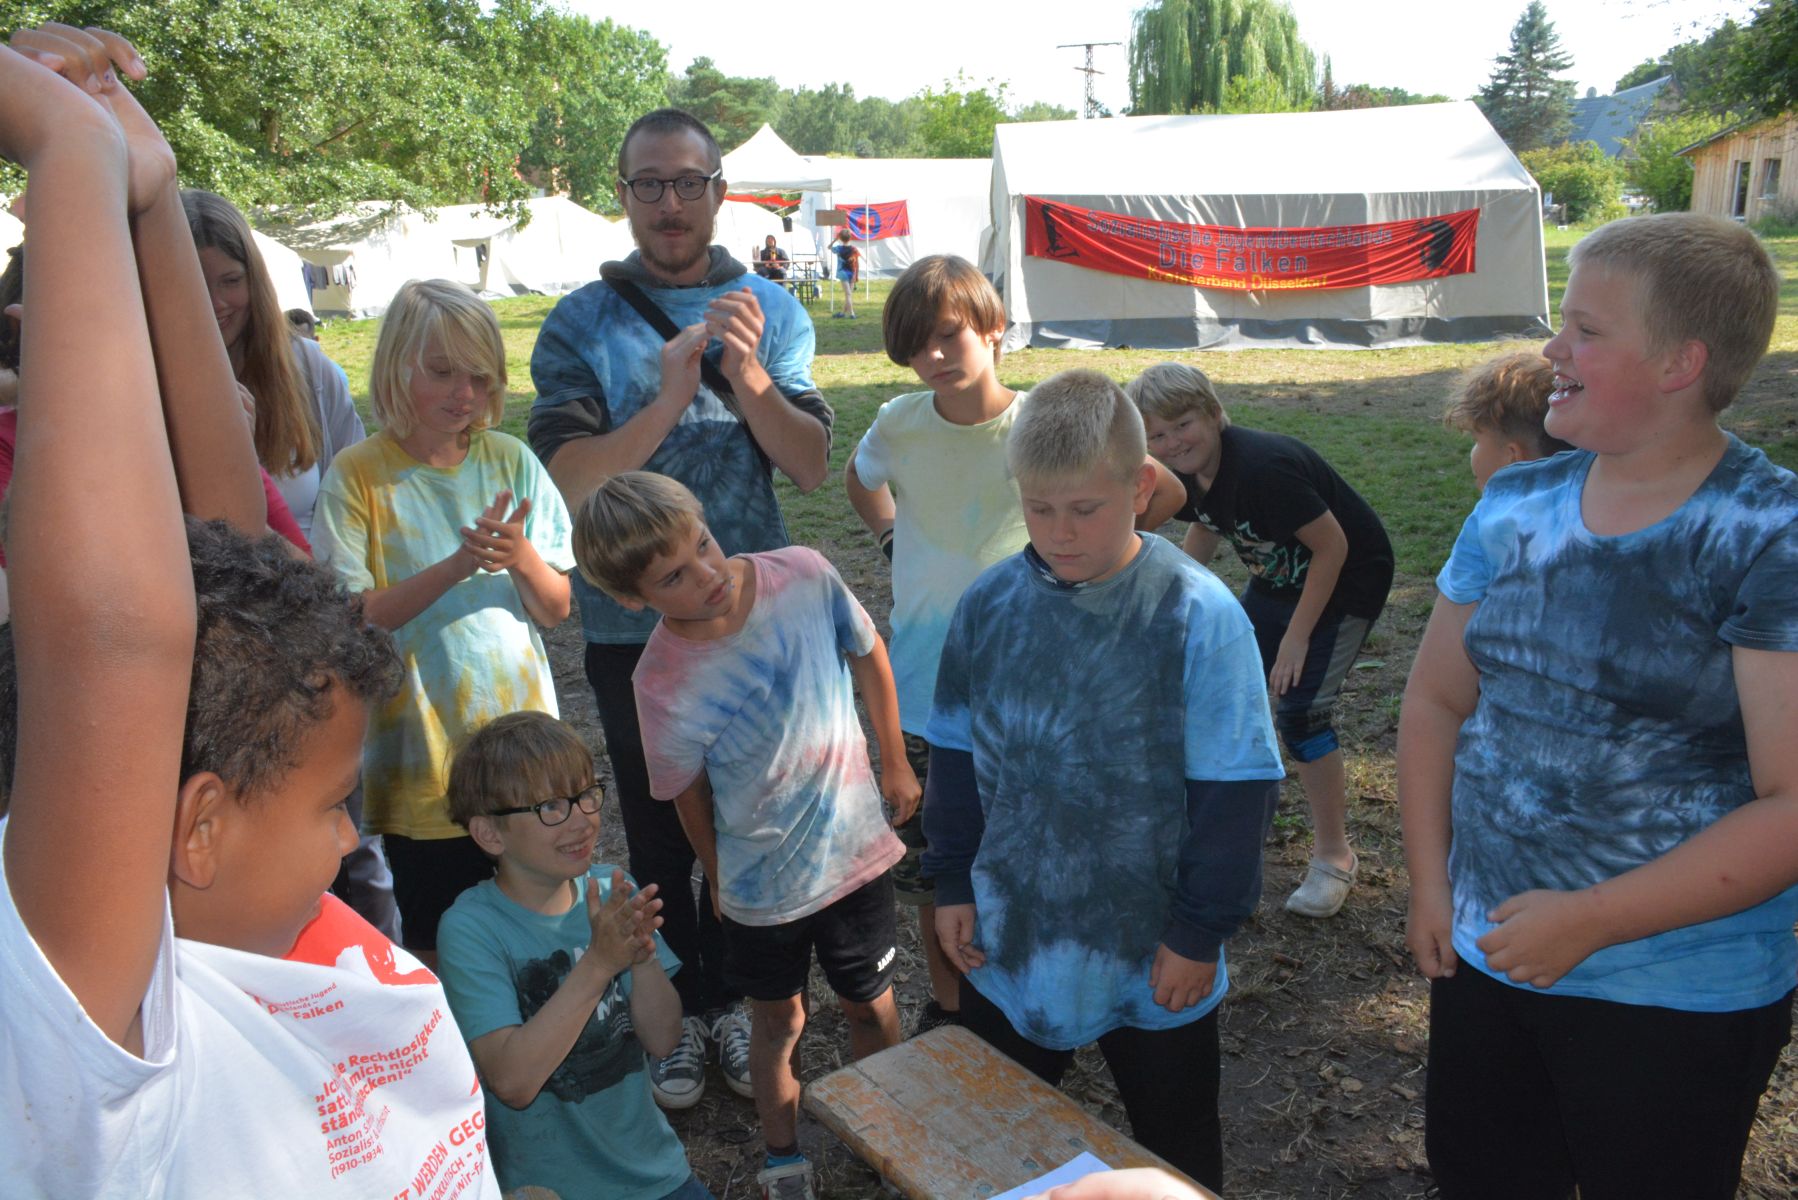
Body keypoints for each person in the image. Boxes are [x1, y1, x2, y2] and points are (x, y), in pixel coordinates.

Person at [0, 25, 497, 1198]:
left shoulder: (269, 923)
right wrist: (66, 155)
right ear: (198, 827)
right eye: (332, 804)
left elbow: (222, 536)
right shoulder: (112, 1046)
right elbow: (116, 638)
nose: (349, 839)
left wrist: (152, 197)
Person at [1398, 213, 1798, 1199]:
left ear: (1678, 363)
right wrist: (1431, 883)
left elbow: (1790, 805)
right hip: (1490, 953)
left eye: (1585, 330)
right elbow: (1436, 699)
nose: (1552, 351)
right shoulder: (1513, 505)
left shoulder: (1768, 536)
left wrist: (1591, 919)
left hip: (1675, 990)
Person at [528, 106, 832, 1108]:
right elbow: (573, 480)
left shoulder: (771, 310)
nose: (669, 202)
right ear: (623, 195)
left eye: (688, 182)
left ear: (717, 192)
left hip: (753, 622)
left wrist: (746, 375)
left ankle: (744, 1005)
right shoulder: (579, 323)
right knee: (663, 831)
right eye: (649, 183)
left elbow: (810, 463)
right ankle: (682, 1008)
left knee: (750, 820)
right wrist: (666, 400)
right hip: (632, 630)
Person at [922, 369, 1283, 1193]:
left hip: (1152, 948)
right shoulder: (988, 605)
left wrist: (1198, 933)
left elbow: (1236, 792)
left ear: (1142, 485)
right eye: (1039, 508)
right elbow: (954, 752)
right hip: (1009, 936)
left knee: (1176, 1145)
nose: (1060, 533)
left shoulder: (1197, 614)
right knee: (993, 1137)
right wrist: (953, 879)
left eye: (1085, 508)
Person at [844, 255, 1186, 1036]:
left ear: (994, 329)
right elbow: (861, 480)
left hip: (1038, 696)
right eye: (914, 343)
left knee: (1040, 851)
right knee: (941, 868)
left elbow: (1160, 488)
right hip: (928, 690)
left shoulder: (1044, 423)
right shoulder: (898, 421)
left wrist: (1099, 564)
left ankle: (1046, 992)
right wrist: (890, 534)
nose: (933, 355)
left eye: (949, 334)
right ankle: (953, 1010)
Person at [573, 471, 918, 1200]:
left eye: (702, 544)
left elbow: (867, 652)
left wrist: (894, 759)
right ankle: (783, 1154)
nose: (707, 575)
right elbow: (687, 793)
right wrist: (719, 874)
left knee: (871, 1005)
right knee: (778, 1022)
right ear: (633, 600)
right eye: (673, 576)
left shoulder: (805, 575)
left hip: (854, 854)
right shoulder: (658, 680)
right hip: (763, 885)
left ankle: (888, 1137)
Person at [313, 278, 574, 962]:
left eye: (481, 377)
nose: (464, 393)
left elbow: (556, 608)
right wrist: (459, 564)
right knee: (446, 941)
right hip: (421, 765)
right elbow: (352, 618)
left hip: (524, 760)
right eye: (442, 372)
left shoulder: (511, 460)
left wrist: (521, 557)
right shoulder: (358, 476)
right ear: (396, 366)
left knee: (545, 929)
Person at [1127, 362, 1394, 919]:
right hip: (1277, 582)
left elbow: (1333, 547)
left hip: (1346, 582)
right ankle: (1221, 832)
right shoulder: (1190, 473)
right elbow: (1207, 524)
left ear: (1214, 412)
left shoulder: (1263, 468)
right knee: (1226, 689)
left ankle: (1334, 855)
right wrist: (1168, 595)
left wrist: (1296, 638)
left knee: (1301, 714)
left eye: (1183, 425)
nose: (1173, 443)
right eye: (1157, 435)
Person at [436, 712, 713, 1200]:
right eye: (551, 807)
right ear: (490, 834)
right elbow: (513, 1082)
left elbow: (664, 1038)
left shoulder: (611, 892)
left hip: (657, 1175)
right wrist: (600, 963)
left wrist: (641, 958)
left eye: (586, 795)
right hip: (552, 1189)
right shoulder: (472, 929)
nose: (583, 819)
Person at [182, 188, 362, 541]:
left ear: (255, 279)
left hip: (312, 573)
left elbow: (358, 497)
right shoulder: (139, 384)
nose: (215, 303)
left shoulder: (309, 369)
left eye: (231, 281)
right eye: (194, 284)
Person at [1442, 349, 1573, 491]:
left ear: (1513, 458)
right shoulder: (1583, 498)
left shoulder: (1500, 507)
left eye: (1476, 440)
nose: (1472, 451)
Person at [829, 228, 858, 318]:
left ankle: (852, 313)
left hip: (843, 272)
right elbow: (856, 263)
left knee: (848, 294)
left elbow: (829, 247)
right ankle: (843, 313)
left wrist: (835, 239)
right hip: (852, 272)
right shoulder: (854, 249)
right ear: (850, 238)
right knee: (849, 294)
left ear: (840, 238)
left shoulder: (838, 248)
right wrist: (855, 275)